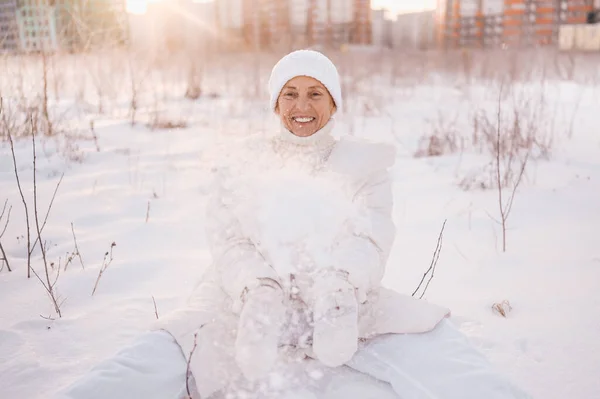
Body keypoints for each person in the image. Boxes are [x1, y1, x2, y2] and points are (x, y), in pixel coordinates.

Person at [57, 50, 532, 399]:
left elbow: (372, 235)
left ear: (333, 103)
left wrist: (339, 284)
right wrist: (257, 285)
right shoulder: (241, 164)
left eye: (314, 93)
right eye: (289, 93)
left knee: (437, 347)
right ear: (275, 104)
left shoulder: (364, 166)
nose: (301, 105)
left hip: (345, 301)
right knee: (158, 353)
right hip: (240, 299)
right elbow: (227, 239)